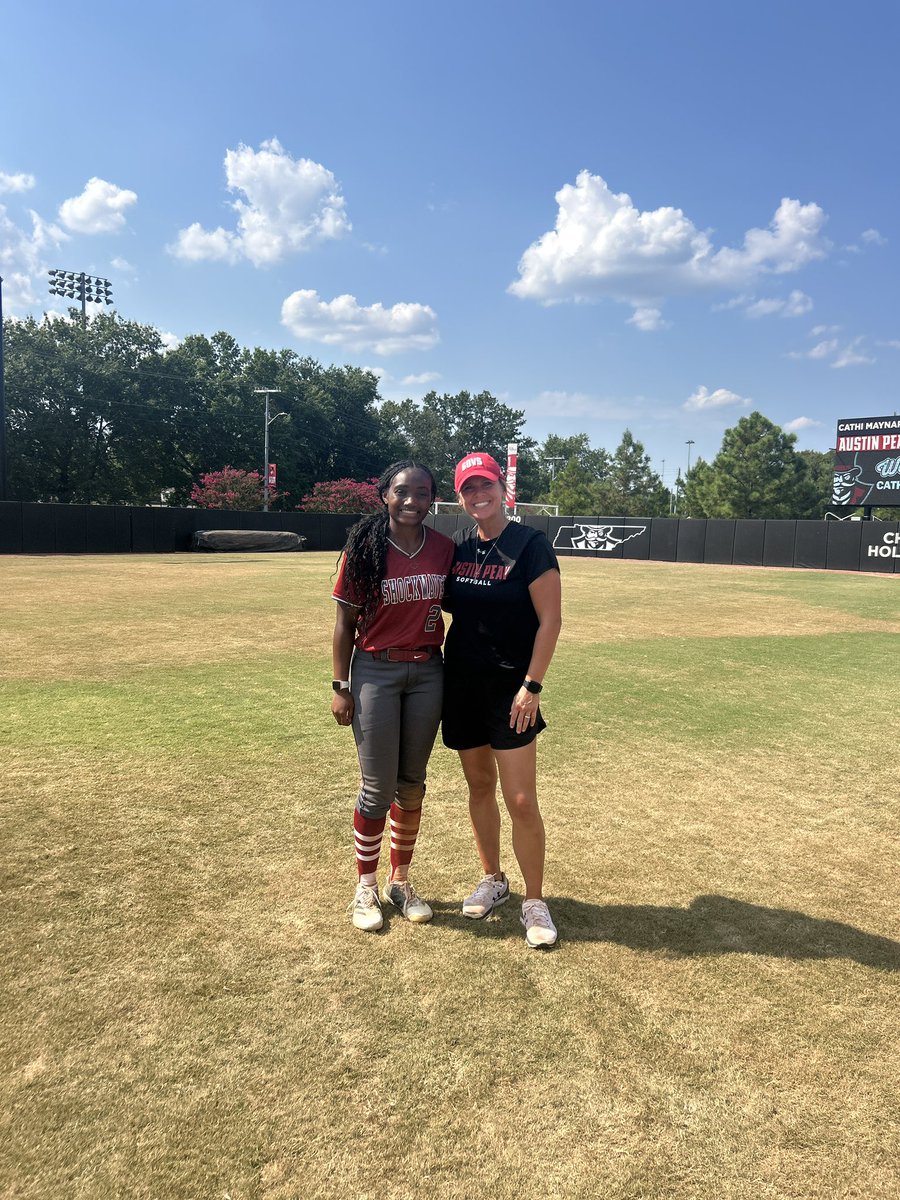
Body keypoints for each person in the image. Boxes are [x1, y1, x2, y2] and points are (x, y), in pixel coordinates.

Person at [442, 452, 562, 948]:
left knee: (521, 799)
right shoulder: (459, 547)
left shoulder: (530, 545)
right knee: (478, 786)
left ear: (502, 488)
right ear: (460, 497)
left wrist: (532, 685)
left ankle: (534, 900)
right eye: (468, 488)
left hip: (512, 693)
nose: (478, 495)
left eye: (485, 485)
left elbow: (551, 620)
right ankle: (493, 878)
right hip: (461, 686)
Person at [331, 461, 454, 932]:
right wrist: (340, 686)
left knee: (412, 782)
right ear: (384, 494)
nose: (411, 501)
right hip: (374, 672)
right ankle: (365, 886)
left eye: (422, 493)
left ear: (432, 499)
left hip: (428, 672)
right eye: (402, 491)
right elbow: (344, 624)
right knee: (377, 787)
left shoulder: (443, 549)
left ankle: (399, 881)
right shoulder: (364, 548)